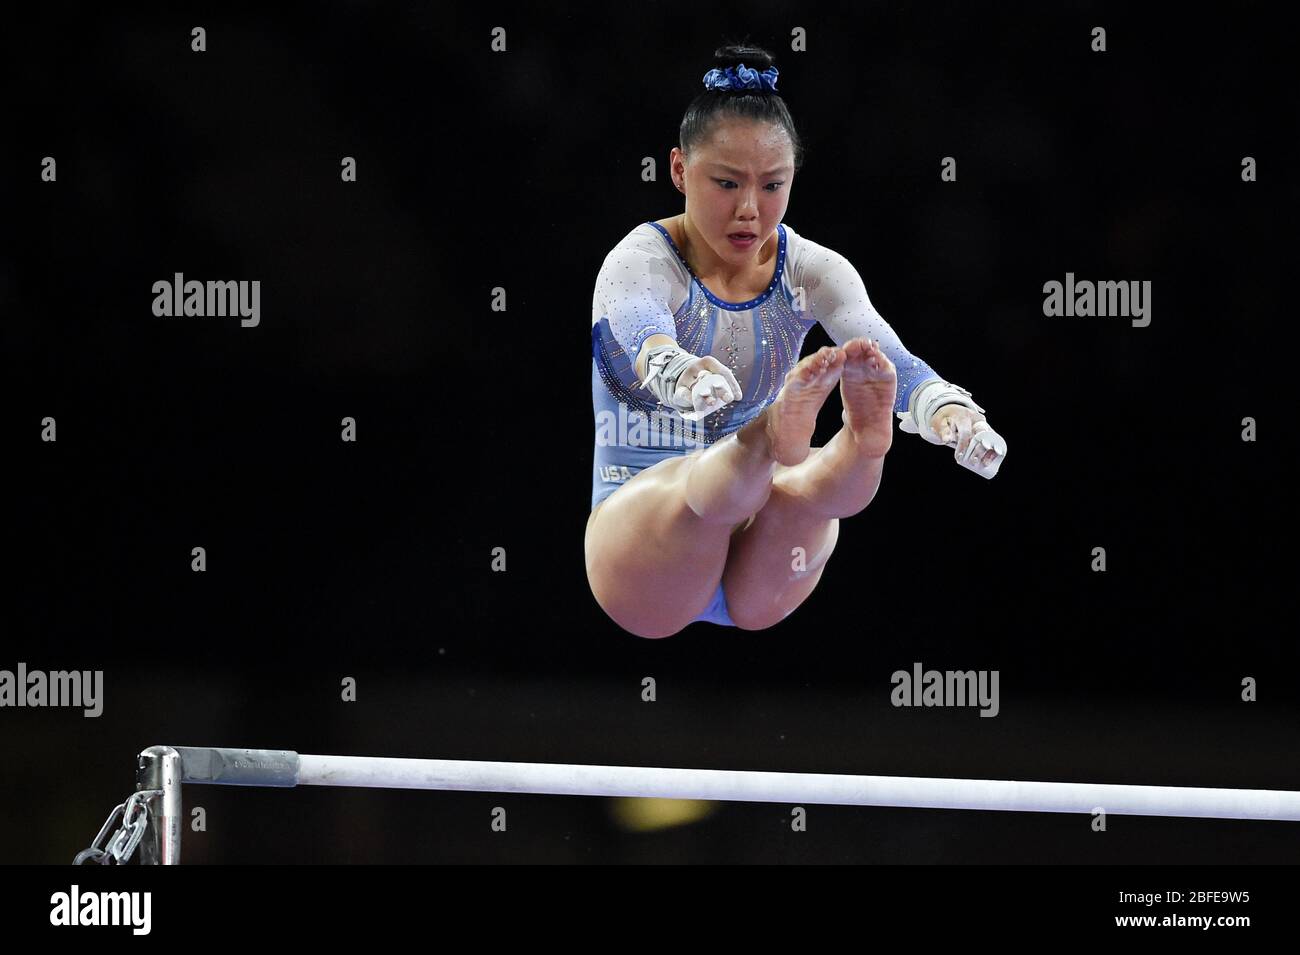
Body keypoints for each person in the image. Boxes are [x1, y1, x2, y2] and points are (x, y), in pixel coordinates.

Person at [586, 43, 1007, 638]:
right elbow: (643, 332)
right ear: (679, 170)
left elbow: (888, 352)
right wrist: (681, 372)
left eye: (772, 185)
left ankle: (859, 444)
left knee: (810, 488)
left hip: (762, 554)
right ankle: (762, 439)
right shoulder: (641, 261)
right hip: (641, 545)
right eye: (727, 183)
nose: (750, 212)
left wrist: (950, 411)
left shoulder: (814, 270)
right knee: (708, 486)